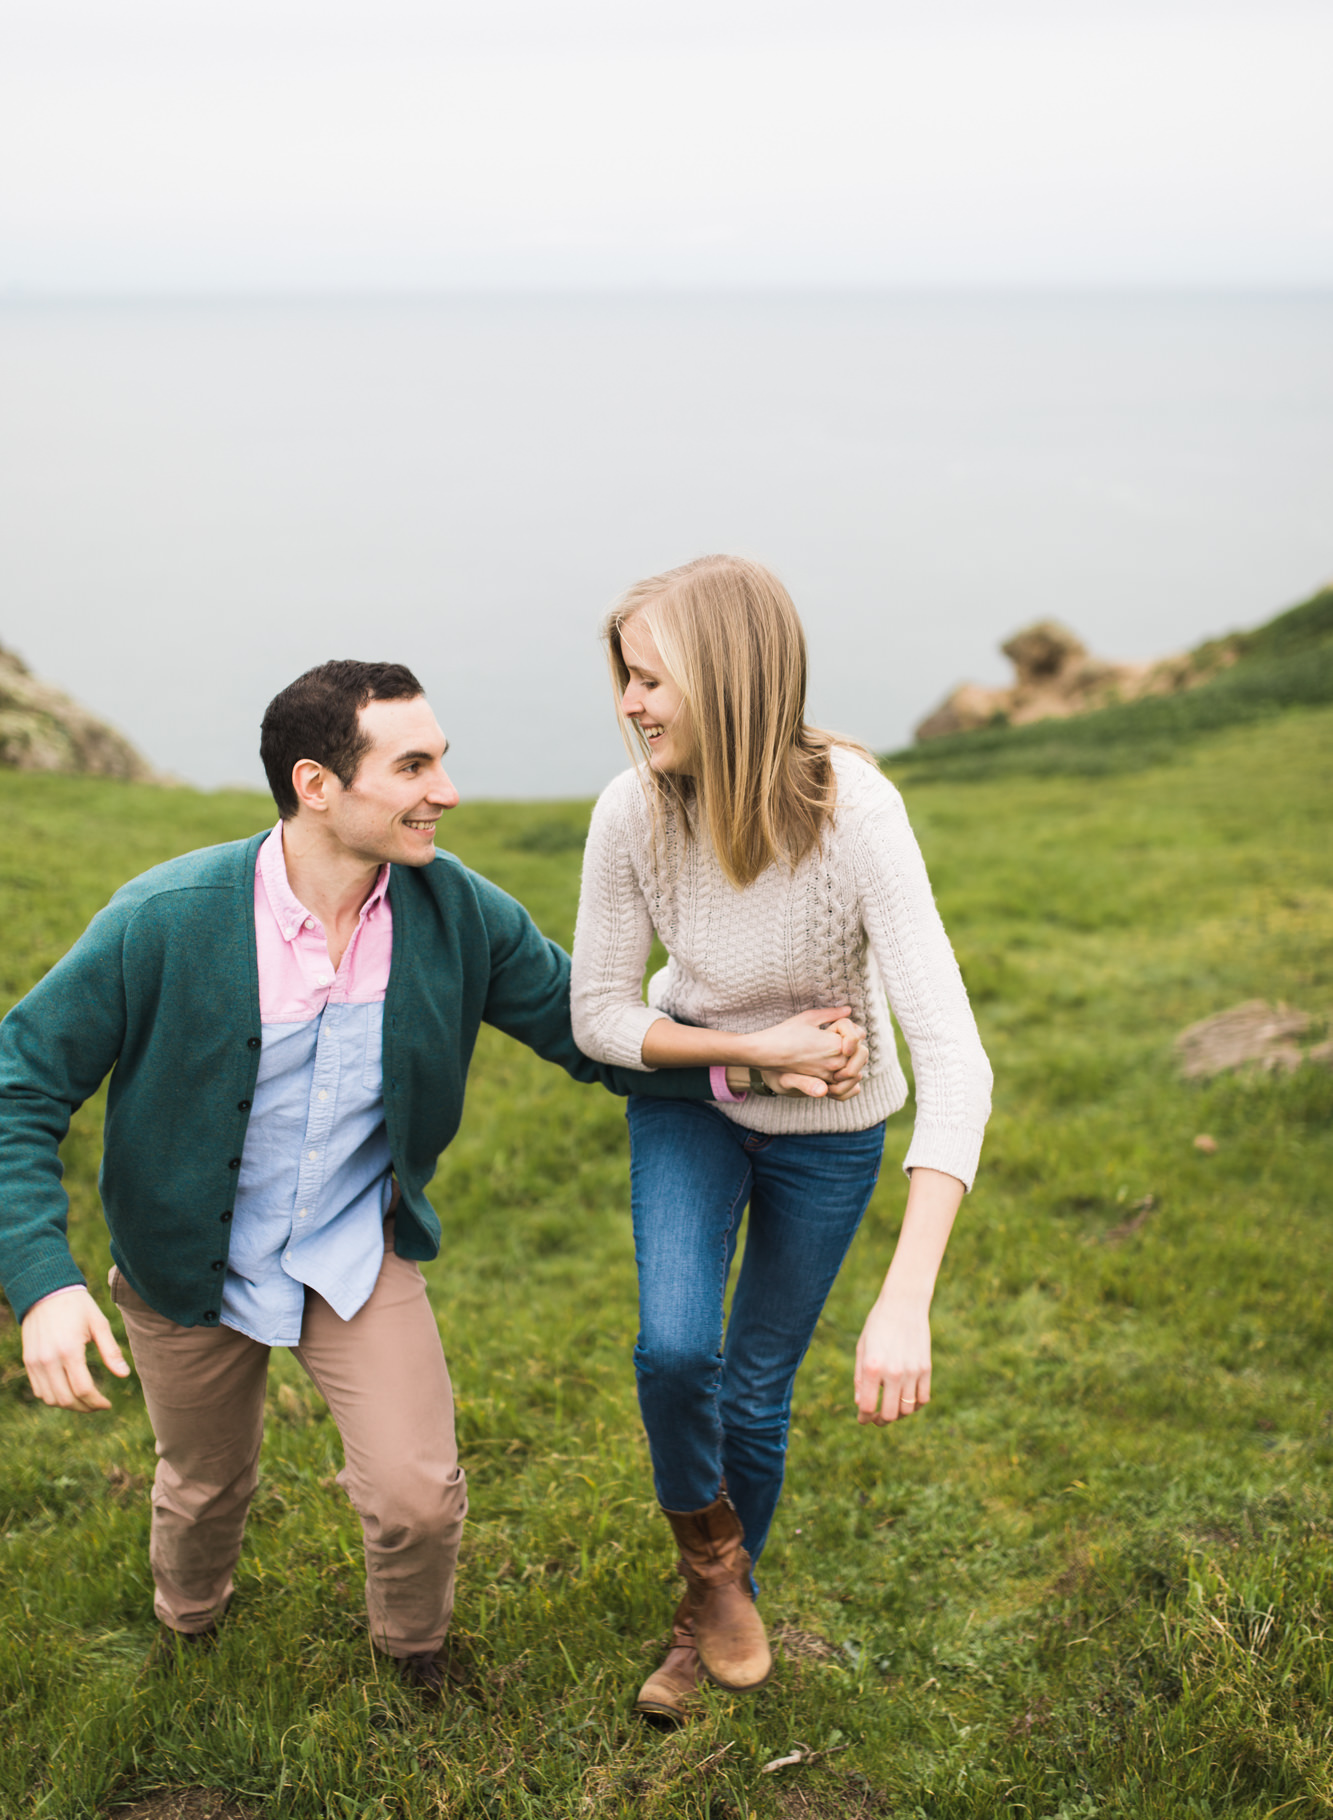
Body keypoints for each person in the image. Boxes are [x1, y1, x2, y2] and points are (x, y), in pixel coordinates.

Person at [0, 659, 863, 1700]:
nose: (445, 790)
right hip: (185, 1261)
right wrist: (45, 1280)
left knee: (418, 1495)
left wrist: (744, 1061)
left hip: (353, 1250)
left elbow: (589, 1040)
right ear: (317, 784)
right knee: (204, 1479)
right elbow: (21, 1087)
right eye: (412, 765)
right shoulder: (164, 917)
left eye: (441, 759)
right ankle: (189, 1625)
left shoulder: (460, 914)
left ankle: (414, 1655)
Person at [570, 556, 993, 1724]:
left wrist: (904, 1301)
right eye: (623, 677)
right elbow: (598, 1013)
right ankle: (713, 1570)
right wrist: (755, 1051)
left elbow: (956, 1062)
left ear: (731, 678)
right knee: (671, 1351)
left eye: (650, 678)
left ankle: (707, 1606)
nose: (630, 703)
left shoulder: (855, 812)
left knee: (754, 1391)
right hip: (691, 1101)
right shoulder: (631, 811)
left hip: (831, 1135)